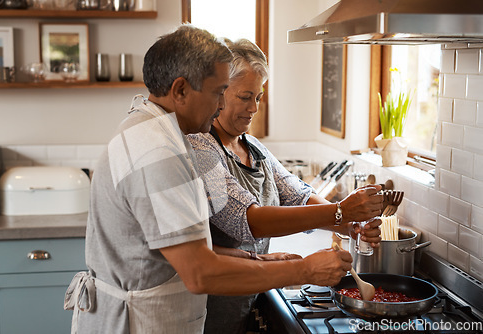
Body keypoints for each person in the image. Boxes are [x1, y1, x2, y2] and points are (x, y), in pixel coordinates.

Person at [63, 25, 364, 334]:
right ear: (181, 90)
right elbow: (200, 272)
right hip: (139, 323)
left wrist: (257, 259)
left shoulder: (155, 131)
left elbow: (171, 248)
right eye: (219, 92)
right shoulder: (159, 153)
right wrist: (304, 269)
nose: (221, 105)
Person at [187, 38, 383, 333]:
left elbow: (297, 193)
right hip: (210, 308)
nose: (254, 108)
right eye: (245, 97)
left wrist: (348, 223)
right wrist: (340, 212)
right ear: (220, 94)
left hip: (251, 294)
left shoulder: (252, 147)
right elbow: (246, 220)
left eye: (259, 97)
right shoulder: (200, 148)